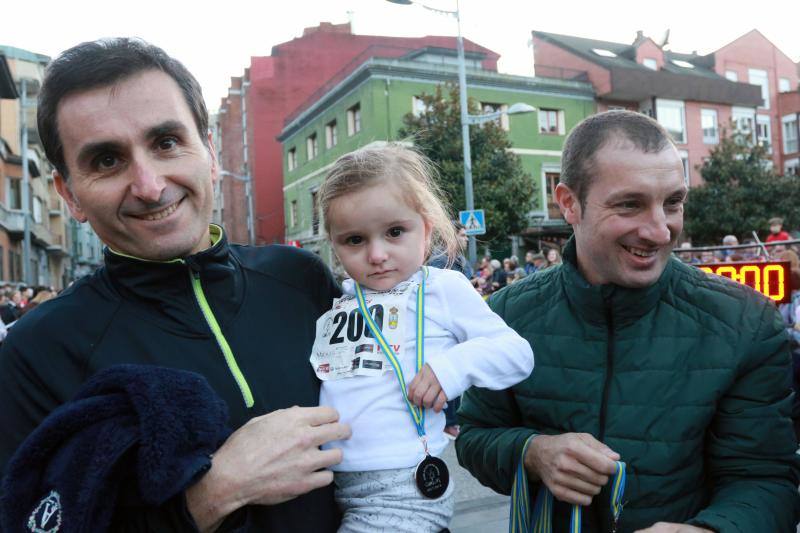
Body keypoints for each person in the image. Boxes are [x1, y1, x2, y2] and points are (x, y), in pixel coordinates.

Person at [0, 38, 351, 532]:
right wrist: (211, 494)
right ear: (69, 194)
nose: (148, 185)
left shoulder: (300, 279)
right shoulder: (36, 353)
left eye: (166, 143)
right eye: (106, 161)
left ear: (208, 152)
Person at [456, 110, 800, 532]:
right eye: (630, 205)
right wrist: (531, 452)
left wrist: (709, 530)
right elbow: (474, 436)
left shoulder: (746, 322)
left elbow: (766, 479)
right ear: (569, 203)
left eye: (673, 202)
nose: (659, 231)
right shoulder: (506, 315)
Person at [312, 144, 533, 532]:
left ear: (426, 228)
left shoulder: (441, 286)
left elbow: (516, 354)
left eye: (395, 232)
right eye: (355, 240)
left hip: (405, 484)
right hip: (333, 481)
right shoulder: (343, 298)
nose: (377, 254)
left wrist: (452, 368)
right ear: (334, 243)